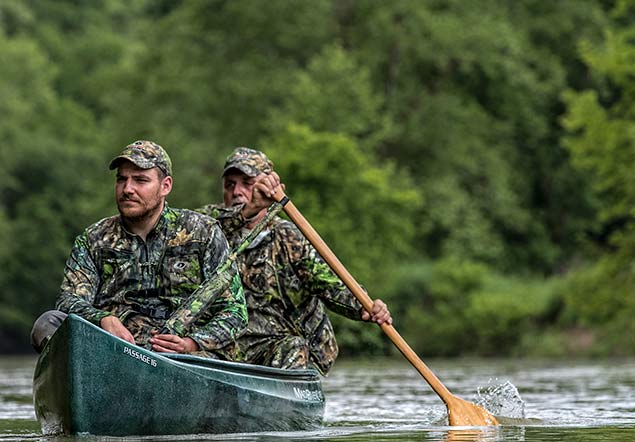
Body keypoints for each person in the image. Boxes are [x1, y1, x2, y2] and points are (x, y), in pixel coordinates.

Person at [31, 140, 248, 358]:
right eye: (122, 180)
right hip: (112, 349)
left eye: (140, 180)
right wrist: (102, 319)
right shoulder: (94, 239)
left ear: (165, 186)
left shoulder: (203, 232)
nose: (128, 189)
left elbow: (235, 312)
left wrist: (191, 343)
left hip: (182, 356)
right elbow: (68, 300)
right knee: (47, 323)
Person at [195, 146, 391, 374]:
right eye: (230, 185)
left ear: (268, 188)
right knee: (189, 352)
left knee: (293, 347)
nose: (237, 191)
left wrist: (364, 306)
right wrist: (249, 209)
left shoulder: (290, 237)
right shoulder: (207, 226)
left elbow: (328, 284)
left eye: (247, 183)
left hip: (282, 346)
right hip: (229, 346)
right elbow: (193, 230)